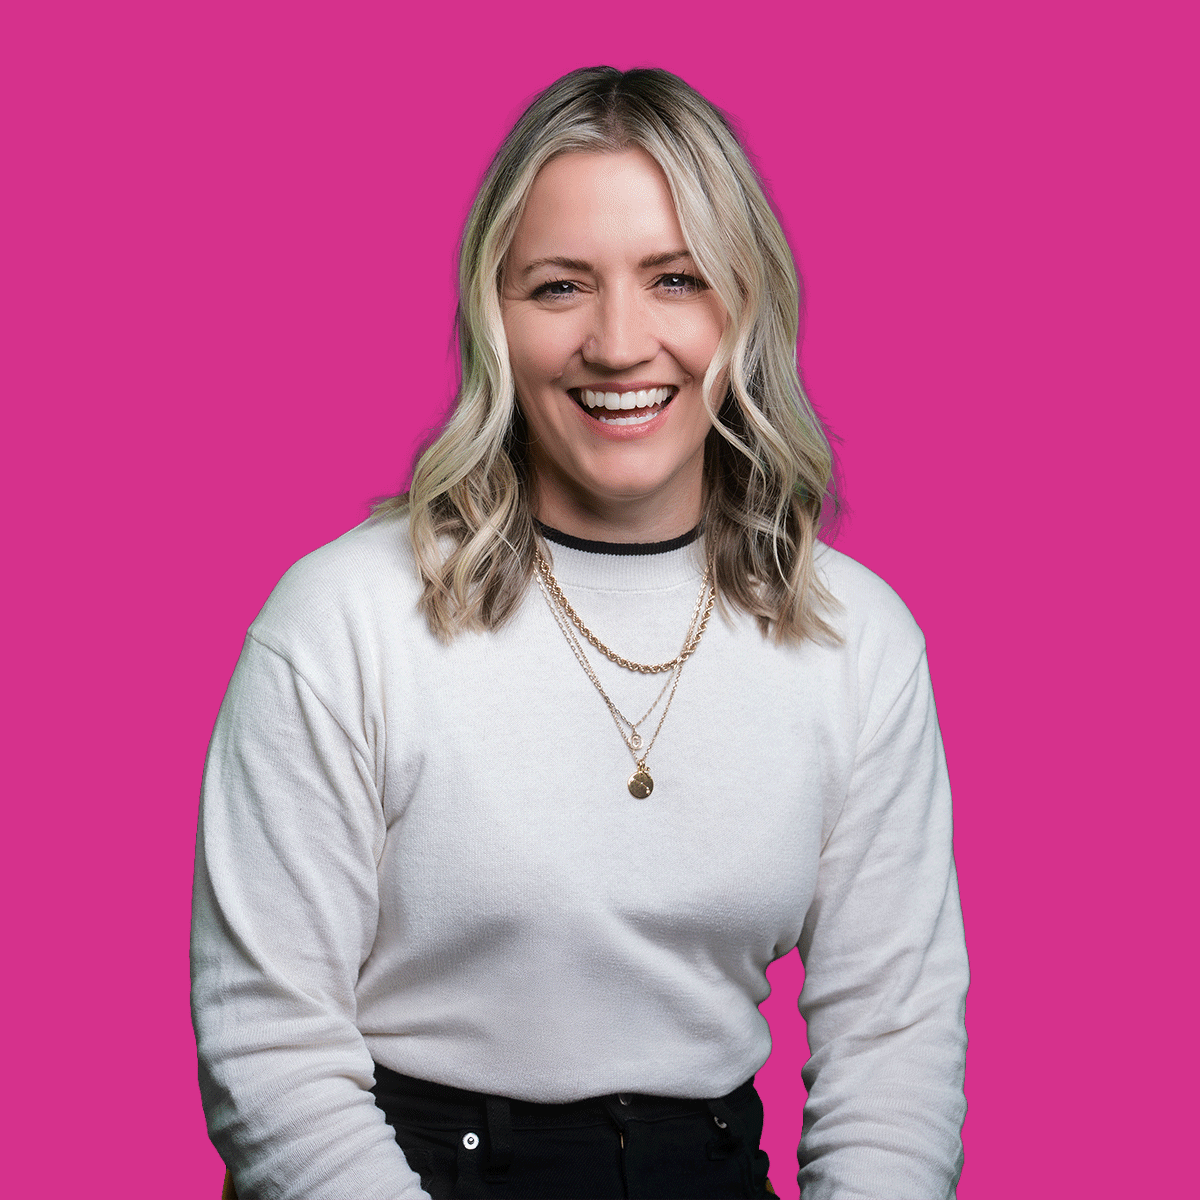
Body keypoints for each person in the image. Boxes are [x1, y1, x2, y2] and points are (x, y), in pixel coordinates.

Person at [191, 65, 968, 1200]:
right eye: (559, 287)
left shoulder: (862, 644)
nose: (618, 342)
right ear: (492, 316)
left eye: (676, 279)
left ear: (745, 306)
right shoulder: (339, 623)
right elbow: (270, 1051)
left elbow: (893, 1047)